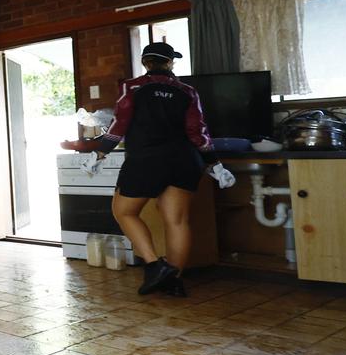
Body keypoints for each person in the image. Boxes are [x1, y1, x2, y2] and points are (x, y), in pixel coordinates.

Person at [80, 42, 235, 296]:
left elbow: (119, 124)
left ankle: (154, 266)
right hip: (185, 159)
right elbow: (198, 132)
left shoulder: (132, 87)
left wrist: (99, 153)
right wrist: (215, 163)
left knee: (124, 212)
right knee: (177, 220)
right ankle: (174, 281)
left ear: (144, 62)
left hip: (146, 160)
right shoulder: (188, 91)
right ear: (171, 62)